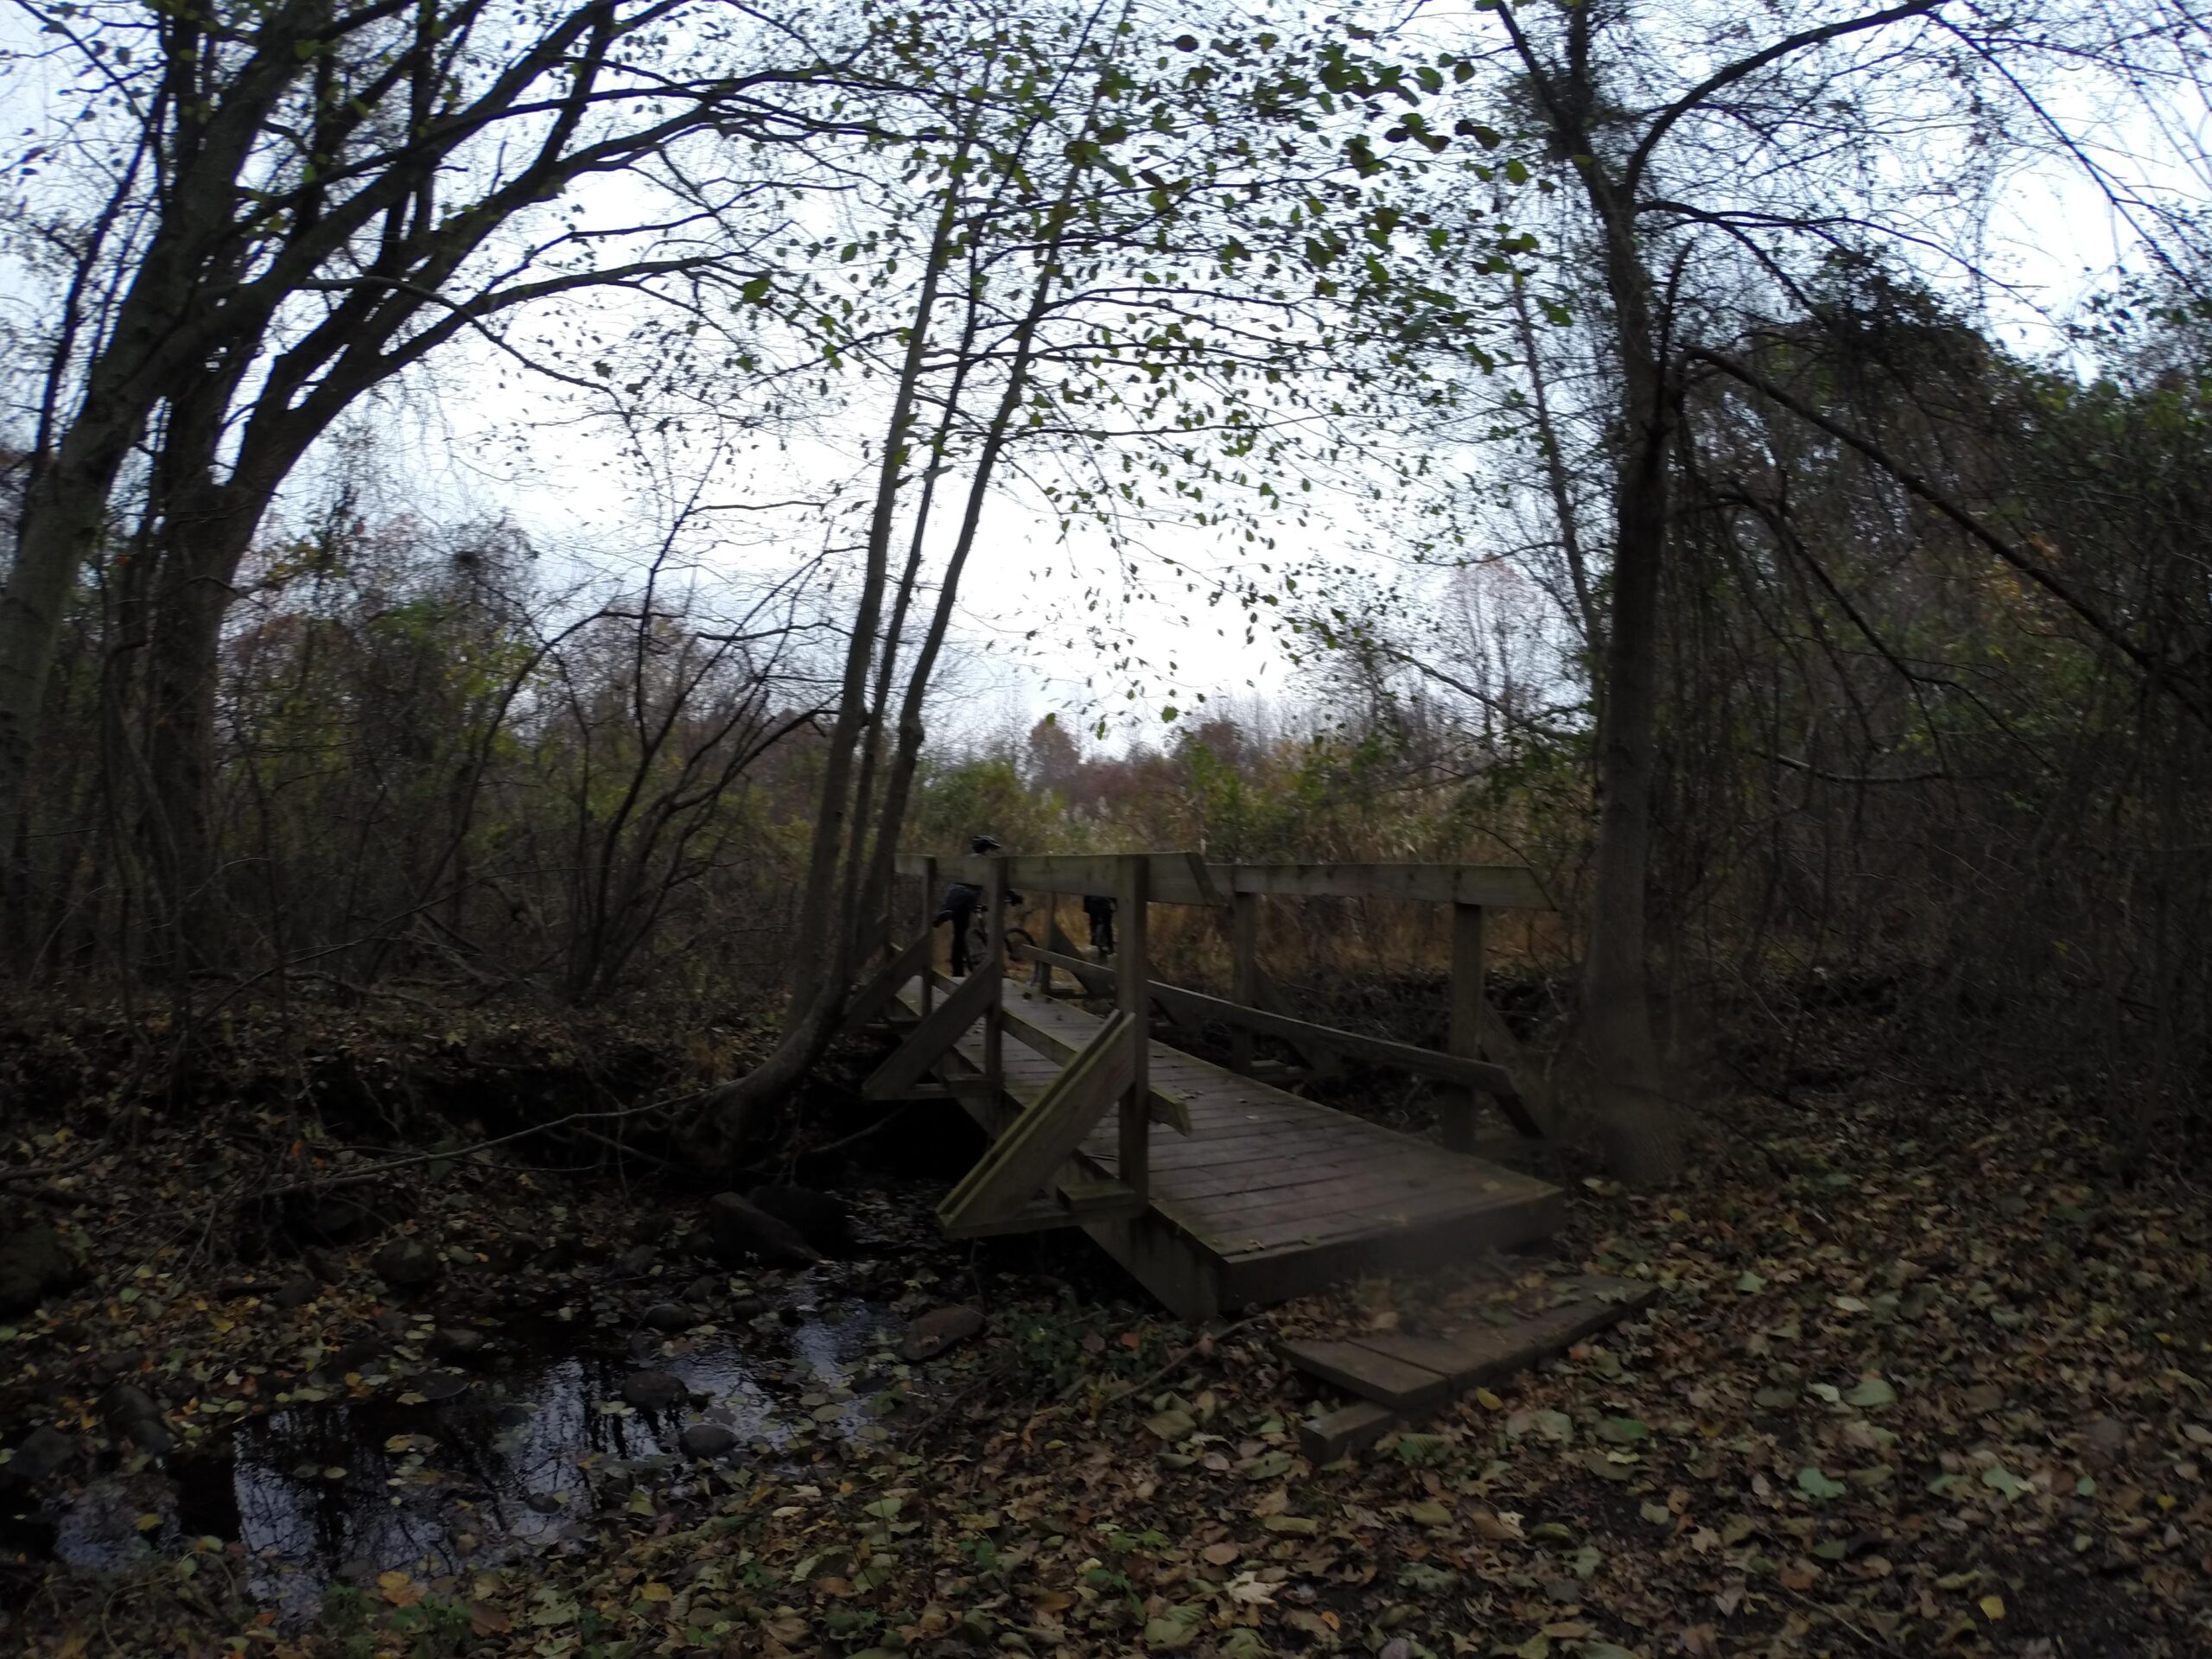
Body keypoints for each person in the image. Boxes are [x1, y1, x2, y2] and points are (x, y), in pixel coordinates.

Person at [935, 834, 1022, 976]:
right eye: (992, 849)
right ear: (986, 849)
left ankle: (957, 972)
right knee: (962, 932)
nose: (993, 853)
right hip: (968, 896)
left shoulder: (966, 860)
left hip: (953, 894)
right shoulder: (985, 862)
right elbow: (997, 882)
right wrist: (1013, 895)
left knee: (959, 936)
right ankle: (979, 971)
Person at [1082, 893, 1116, 957]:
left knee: (1096, 925)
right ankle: (1109, 946)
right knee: (1107, 927)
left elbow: (1087, 894)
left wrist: (1086, 907)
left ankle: (1098, 942)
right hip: (1103, 906)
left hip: (1094, 906)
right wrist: (1115, 905)